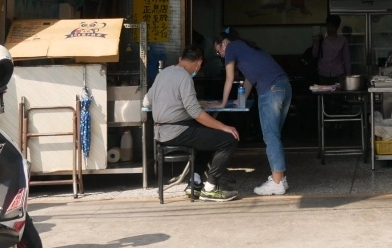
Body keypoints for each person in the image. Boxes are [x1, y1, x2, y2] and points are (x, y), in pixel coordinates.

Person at [144, 45, 239, 202]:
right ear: (199, 63)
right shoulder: (185, 77)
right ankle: (210, 188)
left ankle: (194, 183)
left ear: (181, 59)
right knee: (228, 139)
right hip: (178, 130)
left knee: (208, 137)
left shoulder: (164, 73)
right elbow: (196, 114)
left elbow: (146, 101)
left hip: (161, 132)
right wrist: (224, 127)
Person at [214, 29, 292, 196]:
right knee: (274, 136)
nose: (220, 55)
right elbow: (250, 78)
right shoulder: (246, 47)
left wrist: (222, 103)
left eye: (218, 50)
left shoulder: (232, 48)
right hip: (284, 86)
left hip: (270, 90)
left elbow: (229, 78)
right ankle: (281, 178)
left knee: (271, 137)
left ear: (224, 43)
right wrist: (239, 99)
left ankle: (277, 182)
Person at [311, 14, 351, 84]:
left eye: (332, 26)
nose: (330, 28)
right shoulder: (322, 39)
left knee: (338, 94)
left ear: (337, 27)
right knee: (325, 94)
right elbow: (314, 54)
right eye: (328, 26)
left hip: (338, 73)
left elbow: (346, 58)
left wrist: (348, 75)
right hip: (323, 73)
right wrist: (317, 41)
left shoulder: (342, 40)